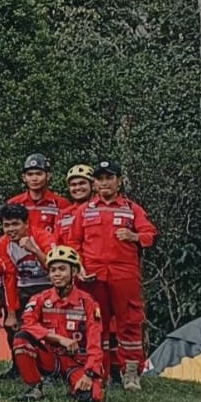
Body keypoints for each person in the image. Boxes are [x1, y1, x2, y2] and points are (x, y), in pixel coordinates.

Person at [69, 159, 157, 389]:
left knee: (130, 322)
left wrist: (134, 236)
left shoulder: (131, 208)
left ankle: (130, 372)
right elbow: (73, 244)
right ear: (94, 183)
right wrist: (79, 268)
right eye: (100, 178)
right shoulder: (84, 210)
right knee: (98, 324)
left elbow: (150, 235)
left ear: (119, 181)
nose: (104, 183)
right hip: (93, 275)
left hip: (124, 274)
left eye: (109, 178)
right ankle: (101, 372)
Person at [11, 246, 106, 402]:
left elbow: (95, 343)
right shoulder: (40, 298)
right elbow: (28, 324)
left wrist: (89, 374)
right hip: (50, 358)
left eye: (62, 269)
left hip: (77, 363)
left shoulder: (88, 303)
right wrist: (60, 339)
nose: (56, 274)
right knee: (21, 339)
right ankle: (34, 387)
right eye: (53, 270)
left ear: (74, 272)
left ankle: (74, 386)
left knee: (91, 398)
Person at [0, 203, 54, 331]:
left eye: (15, 224)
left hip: (48, 286)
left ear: (26, 223)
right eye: (6, 225)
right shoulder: (3, 242)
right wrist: (11, 313)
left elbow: (55, 267)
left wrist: (34, 250)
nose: (11, 229)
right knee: (14, 329)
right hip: (22, 288)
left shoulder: (43, 236)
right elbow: (9, 277)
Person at [6, 154, 69, 235]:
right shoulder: (13, 203)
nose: (34, 179)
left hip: (51, 247)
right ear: (24, 177)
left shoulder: (61, 204)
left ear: (48, 176)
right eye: (30, 174)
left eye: (39, 174)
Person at [55, 165, 95, 246]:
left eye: (82, 183)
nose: (77, 188)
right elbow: (57, 242)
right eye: (73, 185)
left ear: (93, 185)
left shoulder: (102, 209)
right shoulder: (63, 214)